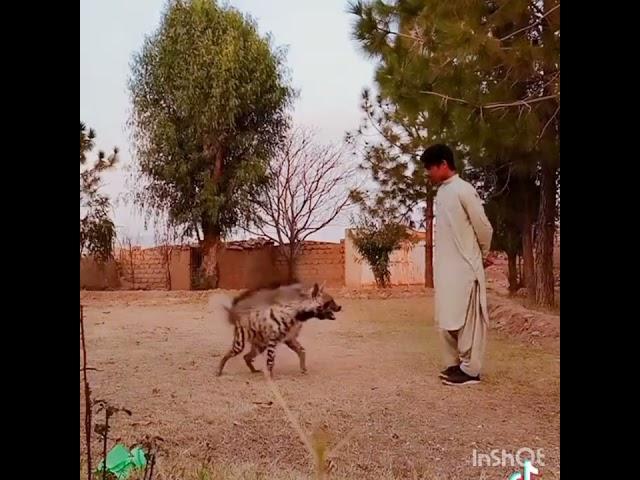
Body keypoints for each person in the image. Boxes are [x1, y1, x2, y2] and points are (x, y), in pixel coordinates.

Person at [421, 144, 493, 386]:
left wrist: (483, 254)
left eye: (430, 168)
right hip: (447, 270)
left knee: (468, 318)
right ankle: (455, 365)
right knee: (447, 316)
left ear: (443, 164)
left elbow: (483, 227)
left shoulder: (464, 190)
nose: (428, 173)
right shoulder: (442, 193)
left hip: (466, 267)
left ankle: (471, 371)